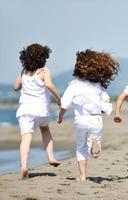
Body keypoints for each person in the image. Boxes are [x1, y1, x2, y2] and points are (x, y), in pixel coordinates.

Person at [57, 49, 119, 181]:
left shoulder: (73, 85)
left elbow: (64, 104)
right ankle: (95, 147)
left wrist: (60, 117)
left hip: (81, 119)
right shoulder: (98, 86)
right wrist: (101, 108)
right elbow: (107, 100)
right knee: (94, 146)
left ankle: (82, 176)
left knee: (80, 147)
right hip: (96, 119)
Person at [13, 43, 61, 180]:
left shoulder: (24, 72)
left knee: (26, 138)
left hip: (25, 110)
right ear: (43, 58)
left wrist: (22, 75)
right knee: (45, 130)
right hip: (41, 109)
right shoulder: (44, 71)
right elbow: (49, 85)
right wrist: (58, 98)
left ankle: (23, 166)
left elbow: (15, 87)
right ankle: (51, 157)